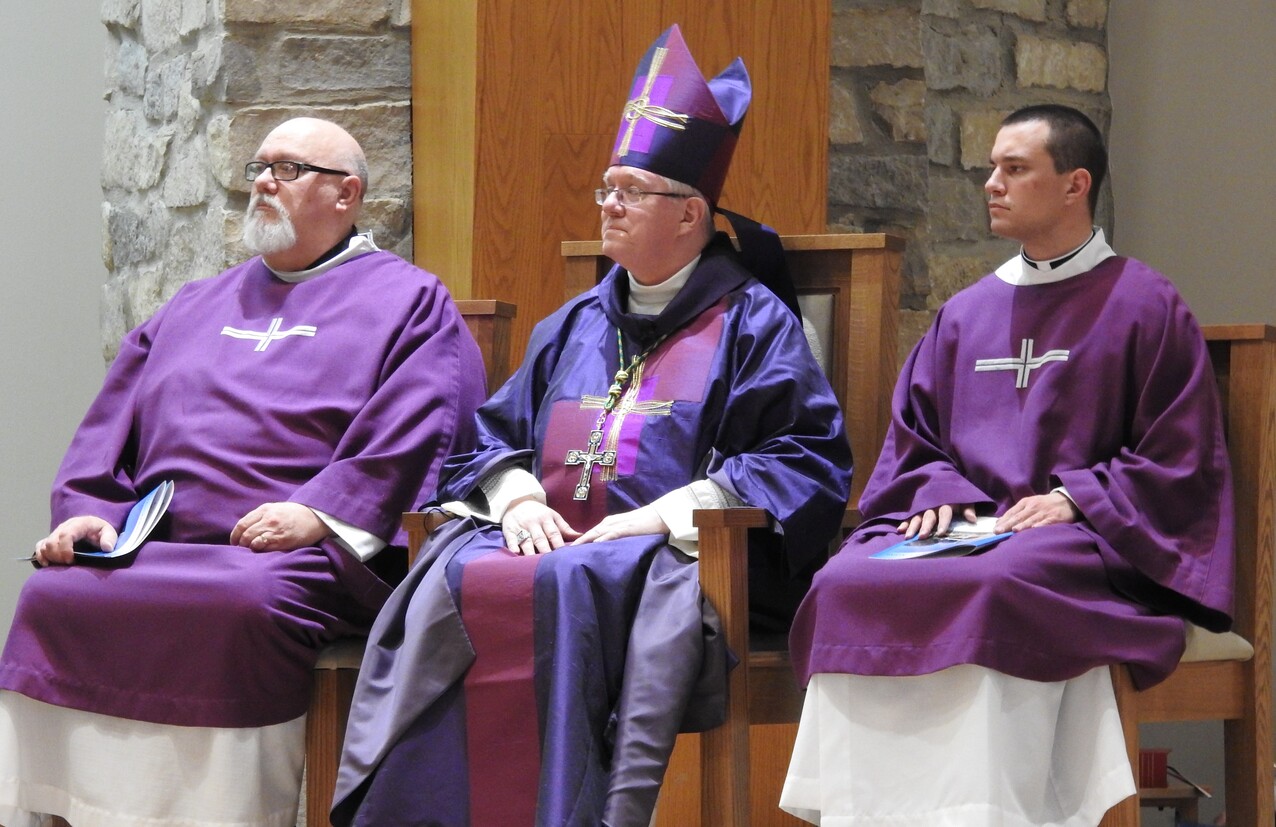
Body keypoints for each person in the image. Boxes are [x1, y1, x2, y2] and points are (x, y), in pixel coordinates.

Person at [331, 25, 852, 827]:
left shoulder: (755, 325)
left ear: (688, 214)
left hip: (673, 561)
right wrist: (516, 501)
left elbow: (804, 460)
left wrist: (651, 518)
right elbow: (487, 438)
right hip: (549, 538)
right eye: (606, 187)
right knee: (451, 576)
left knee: (565, 581)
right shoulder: (572, 323)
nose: (605, 203)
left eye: (627, 190)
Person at [0, 117, 487, 827]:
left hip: (297, 552)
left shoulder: (409, 303)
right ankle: (74, 811)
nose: (262, 180)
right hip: (161, 543)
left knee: (241, 602)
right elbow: (111, 422)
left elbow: (427, 420)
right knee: (54, 593)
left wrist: (322, 512)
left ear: (346, 194)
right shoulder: (196, 302)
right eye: (261, 165)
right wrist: (91, 510)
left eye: (288, 169)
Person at [782, 104, 1234, 825]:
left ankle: (988, 810)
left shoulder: (1146, 305)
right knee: (849, 577)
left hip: (1081, 539)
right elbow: (915, 439)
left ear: (1074, 184)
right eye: (992, 167)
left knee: (997, 579)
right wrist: (939, 489)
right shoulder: (965, 313)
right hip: (970, 524)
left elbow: (1179, 456)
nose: (991, 183)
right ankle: (860, 812)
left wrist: (1080, 498)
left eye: (1014, 169)